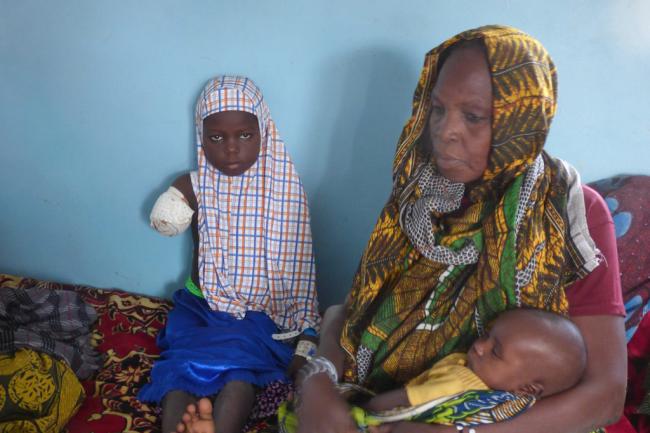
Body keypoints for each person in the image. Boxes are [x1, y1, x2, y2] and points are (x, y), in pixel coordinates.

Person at [296, 25, 627, 433]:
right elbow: (351, 311)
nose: (445, 131)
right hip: (388, 408)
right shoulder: (420, 194)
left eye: (473, 117)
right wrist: (318, 377)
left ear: (520, 120)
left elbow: (606, 395)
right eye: (438, 109)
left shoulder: (566, 214)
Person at [137, 76, 320, 433]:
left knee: (239, 374)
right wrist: (171, 208)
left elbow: (300, 271)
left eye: (245, 135)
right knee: (180, 371)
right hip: (200, 306)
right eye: (217, 138)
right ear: (201, 137)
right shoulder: (197, 185)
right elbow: (167, 217)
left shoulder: (284, 192)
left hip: (258, 313)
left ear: (264, 132)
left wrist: (308, 334)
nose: (231, 148)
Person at [363, 308, 586, 413]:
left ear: (526, 389)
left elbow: (395, 402)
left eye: (495, 352)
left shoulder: (461, 385)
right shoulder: (509, 409)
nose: (479, 346)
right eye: (487, 335)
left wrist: (362, 409)